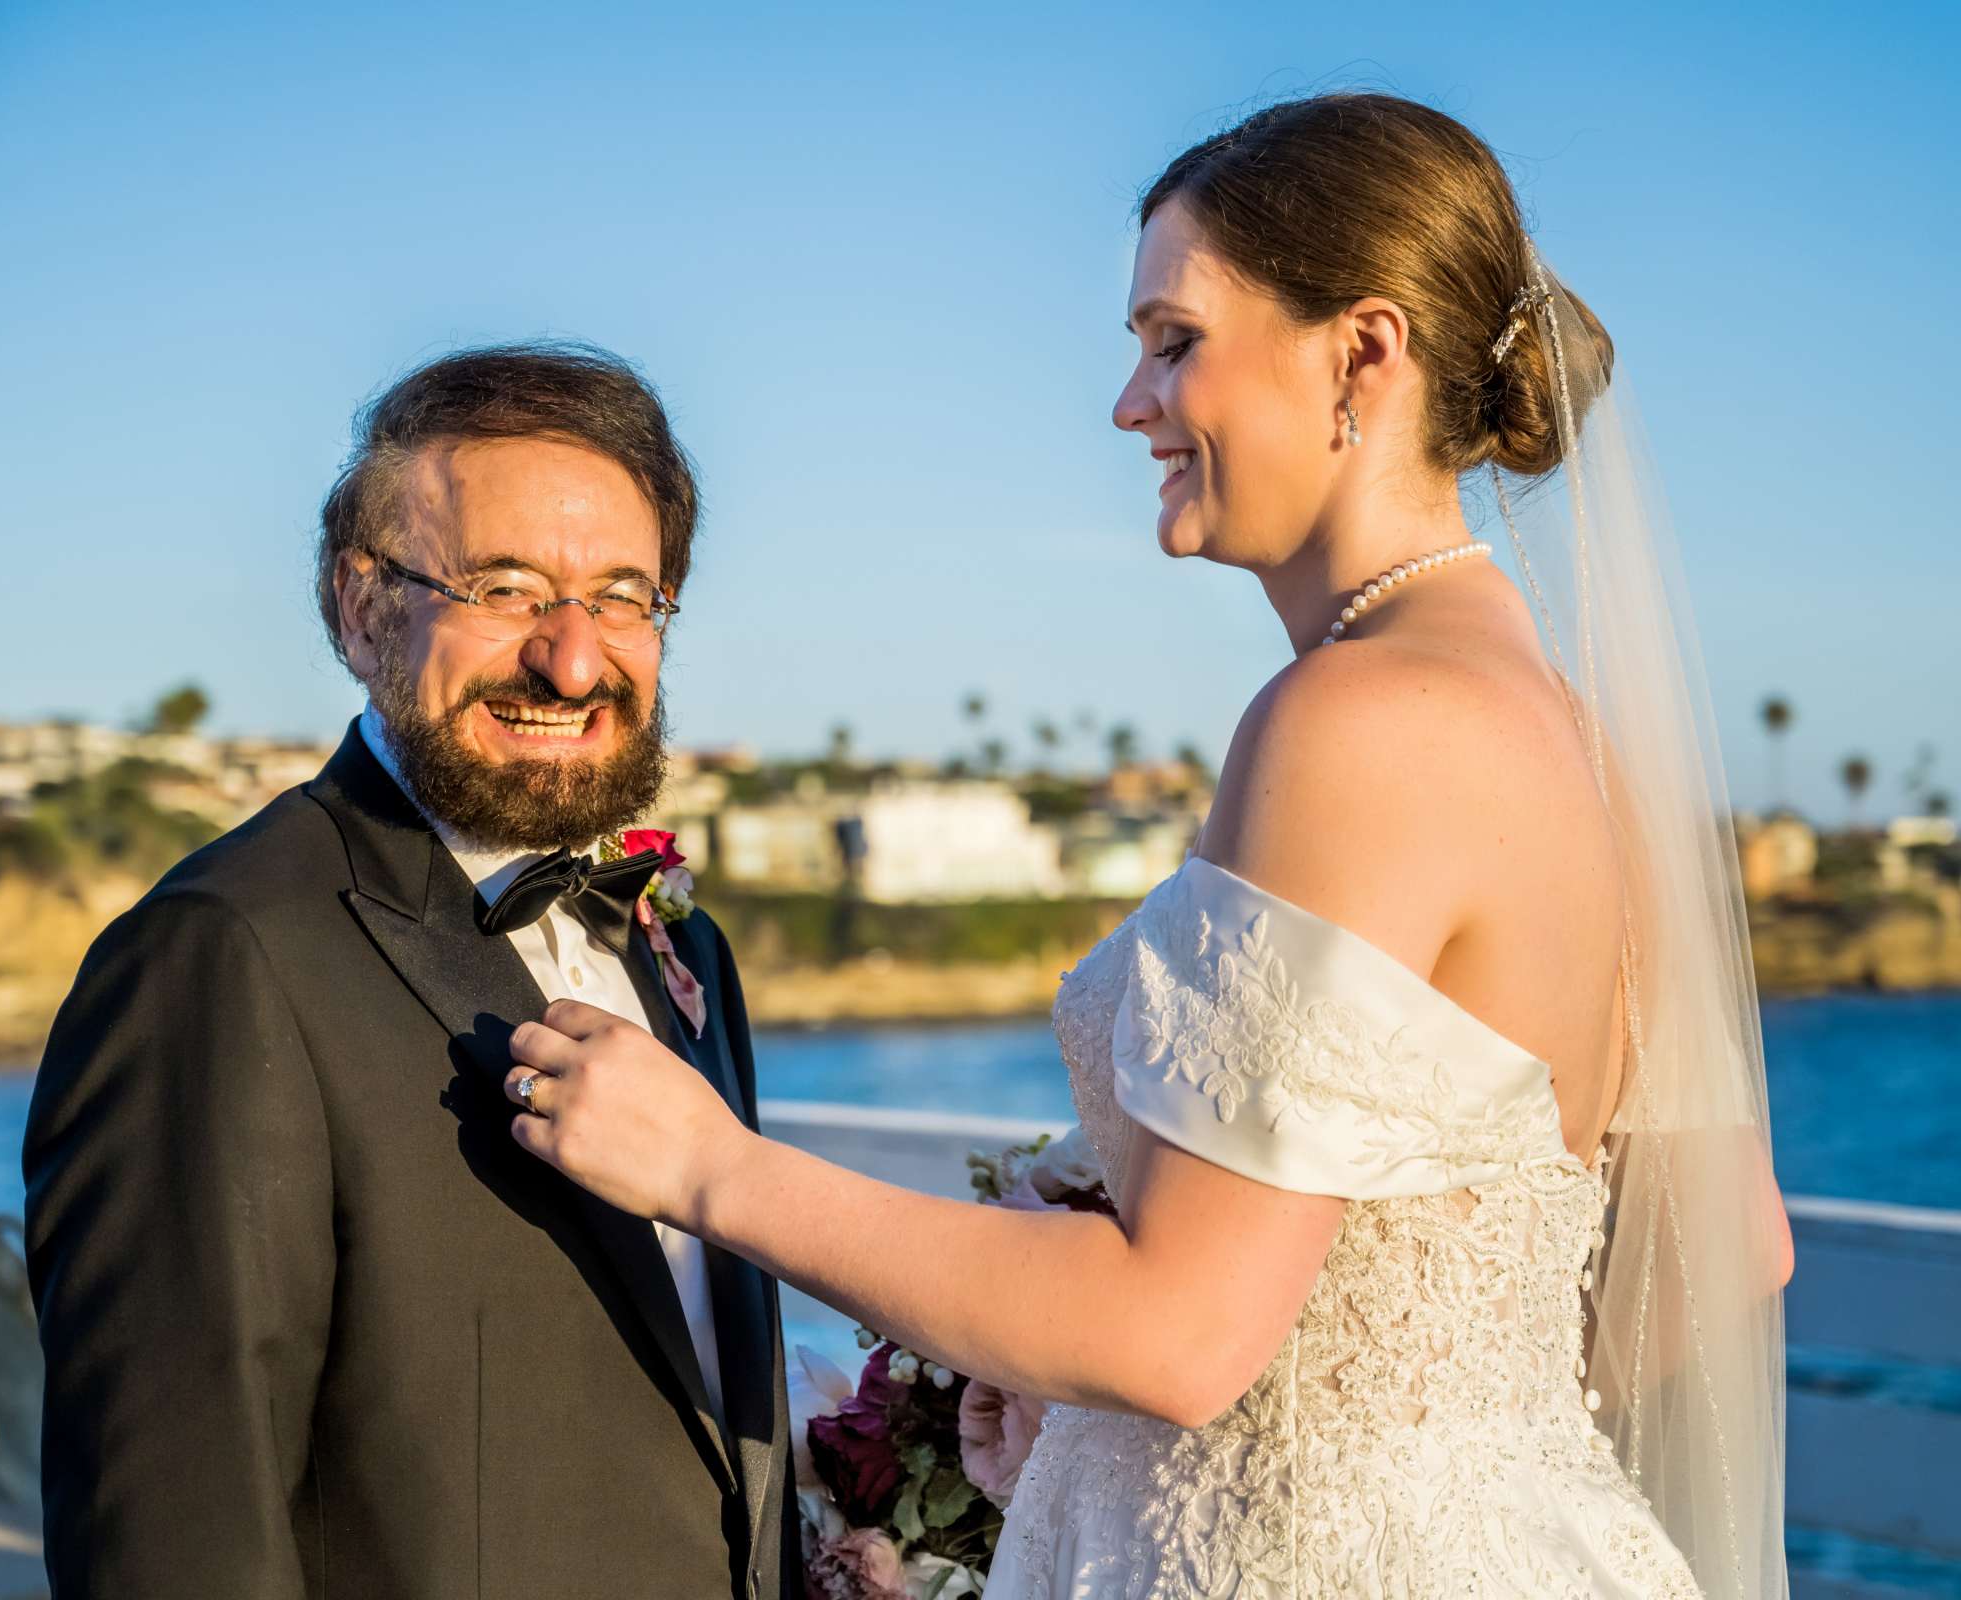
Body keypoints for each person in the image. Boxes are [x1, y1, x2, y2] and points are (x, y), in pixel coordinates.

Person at [507, 93, 1791, 1598]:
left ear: (1362, 352)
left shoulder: (1358, 718)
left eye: (1173, 340)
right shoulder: (1573, 737)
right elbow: (1734, 1252)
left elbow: (1178, 1335)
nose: (1132, 403)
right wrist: (1359, 1388)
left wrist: (708, 1166)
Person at [23, 344, 800, 1598]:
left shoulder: (683, 942)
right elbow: (171, 1538)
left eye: (621, 595)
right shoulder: (218, 959)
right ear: (361, 605)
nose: (574, 659)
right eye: (504, 587)